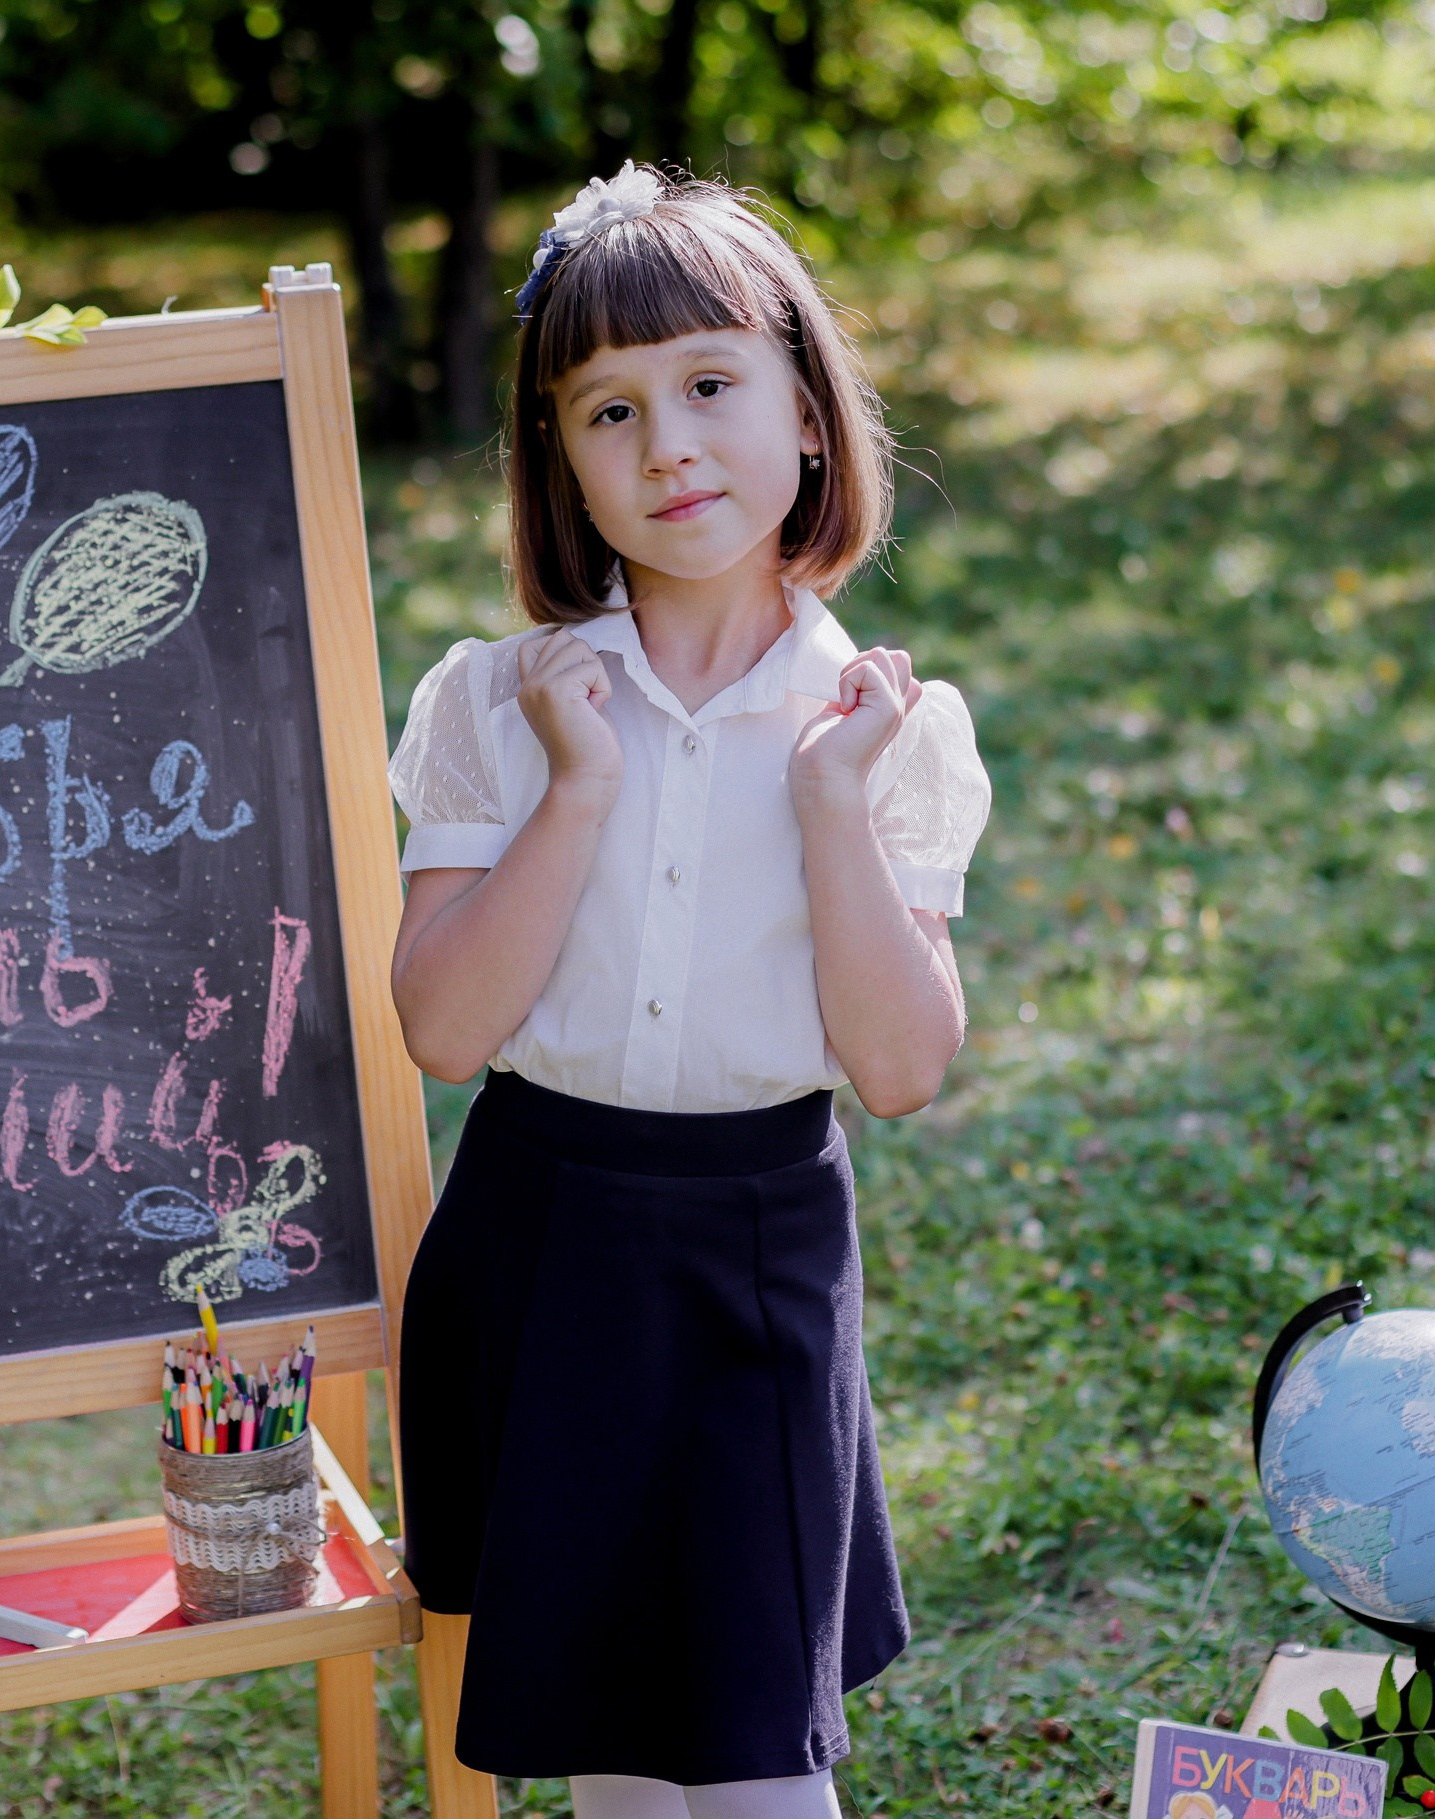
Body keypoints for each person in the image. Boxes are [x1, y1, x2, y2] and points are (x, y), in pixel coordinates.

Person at [386, 164, 991, 1819]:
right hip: (542, 1237)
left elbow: (900, 1069)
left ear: (808, 414)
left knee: (752, 1744)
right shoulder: (497, 704)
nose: (668, 447)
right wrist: (577, 788)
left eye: (710, 386)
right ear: (560, 461)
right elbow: (444, 1030)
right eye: (611, 411)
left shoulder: (885, 728)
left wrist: (829, 804)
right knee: (613, 1741)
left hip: (755, 1247)